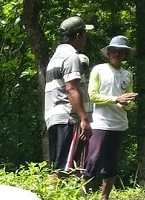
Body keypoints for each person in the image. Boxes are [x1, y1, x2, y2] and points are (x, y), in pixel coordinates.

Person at [83, 36, 138, 200]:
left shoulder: (127, 75)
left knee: (112, 162)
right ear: (108, 52)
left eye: (121, 51)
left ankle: (104, 198)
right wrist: (116, 99)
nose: (117, 54)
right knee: (92, 159)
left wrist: (128, 103)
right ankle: (82, 196)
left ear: (125, 54)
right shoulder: (98, 70)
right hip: (100, 122)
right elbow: (92, 96)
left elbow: (129, 104)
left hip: (119, 124)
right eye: (114, 50)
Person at [44, 16, 93, 175]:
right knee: (65, 168)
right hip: (69, 117)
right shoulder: (71, 57)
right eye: (84, 35)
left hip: (55, 117)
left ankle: (67, 198)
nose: (85, 39)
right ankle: (52, 197)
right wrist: (84, 119)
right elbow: (71, 89)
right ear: (78, 36)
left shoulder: (55, 58)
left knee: (63, 163)